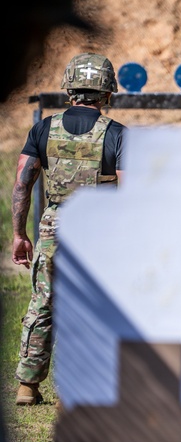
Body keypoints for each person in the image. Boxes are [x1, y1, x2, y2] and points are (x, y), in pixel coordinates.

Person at [12, 53, 126, 406]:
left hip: (53, 228)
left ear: (69, 90)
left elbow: (22, 185)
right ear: (107, 94)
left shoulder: (44, 128)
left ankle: (27, 387)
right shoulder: (118, 134)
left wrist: (19, 234)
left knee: (42, 303)